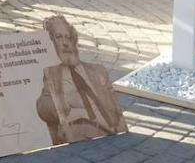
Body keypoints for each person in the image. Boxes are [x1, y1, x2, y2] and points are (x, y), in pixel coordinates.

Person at [36, 15, 128, 146]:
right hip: (77, 134)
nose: (65, 43)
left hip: (109, 132)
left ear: (74, 41)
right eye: (59, 37)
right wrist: (67, 100)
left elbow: (114, 110)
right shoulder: (53, 74)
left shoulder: (98, 71)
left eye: (68, 37)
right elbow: (43, 108)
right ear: (52, 42)